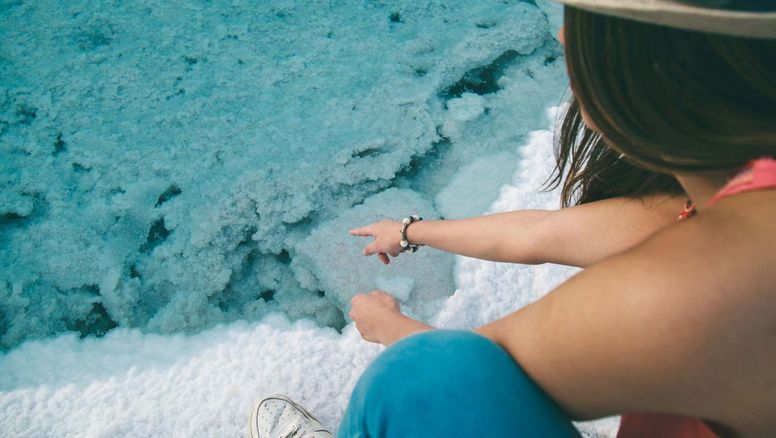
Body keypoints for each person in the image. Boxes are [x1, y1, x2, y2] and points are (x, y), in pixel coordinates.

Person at [249, 1, 776, 437]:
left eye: (586, 24)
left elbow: (467, 369)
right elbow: (535, 234)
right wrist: (409, 231)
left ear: (659, 70)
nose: (566, 37)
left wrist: (385, 325)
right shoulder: (708, 203)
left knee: (413, 381)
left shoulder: (699, 292)